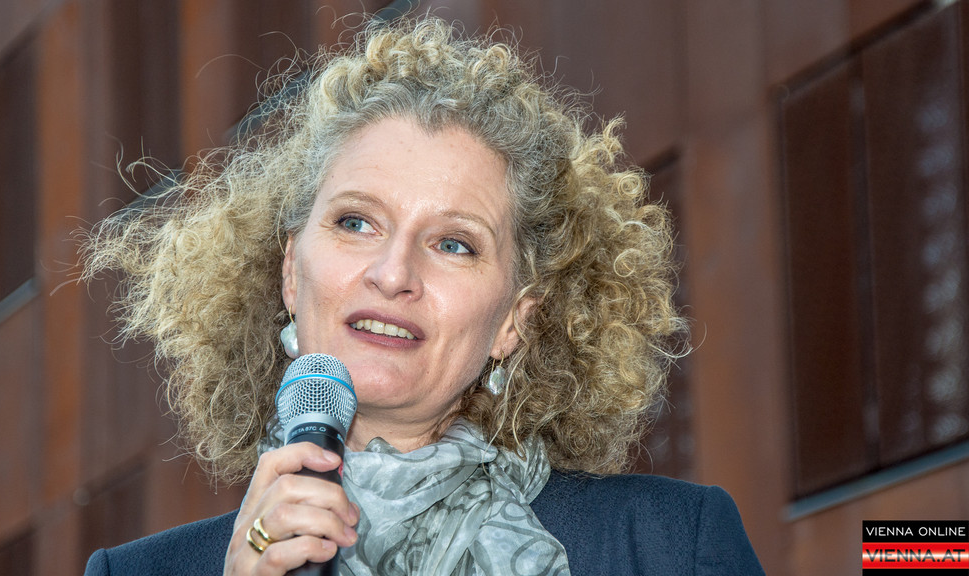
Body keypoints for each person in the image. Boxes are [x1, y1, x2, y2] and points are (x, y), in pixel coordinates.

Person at [81, 16, 764, 576]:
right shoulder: (134, 574)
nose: (393, 272)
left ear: (514, 321)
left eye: (454, 244)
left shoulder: (669, 547)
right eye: (356, 222)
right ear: (291, 271)